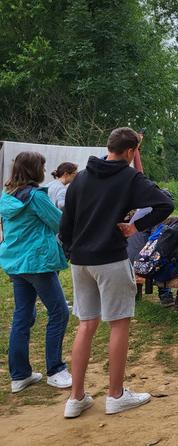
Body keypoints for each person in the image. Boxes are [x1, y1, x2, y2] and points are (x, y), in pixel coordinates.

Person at [60, 127, 174, 418]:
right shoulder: (129, 177)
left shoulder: (81, 178)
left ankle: (76, 398)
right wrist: (134, 227)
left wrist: (73, 252)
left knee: (86, 325)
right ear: (130, 152)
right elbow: (165, 203)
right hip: (110, 259)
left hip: (80, 262)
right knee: (119, 324)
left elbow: (65, 227)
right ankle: (116, 395)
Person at [0, 152, 72, 394]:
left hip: (16, 263)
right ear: (34, 170)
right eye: (42, 165)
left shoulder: (7, 194)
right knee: (59, 312)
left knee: (23, 315)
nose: (44, 169)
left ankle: (20, 375)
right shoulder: (34, 197)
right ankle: (55, 369)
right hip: (37, 263)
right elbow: (59, 223)